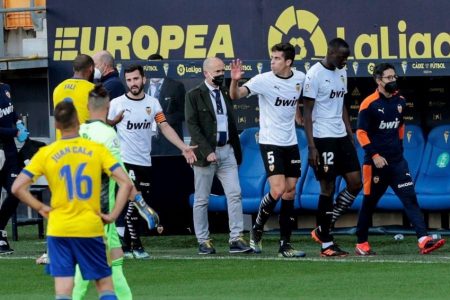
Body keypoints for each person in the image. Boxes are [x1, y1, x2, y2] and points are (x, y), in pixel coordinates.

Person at [11, 101, 133, 300]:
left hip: (59, 228)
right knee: (105, 287)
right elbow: (125, 183)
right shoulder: (96, 150)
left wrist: (41, 208)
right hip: (90, 226)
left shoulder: (46, 153)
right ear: (78, 121)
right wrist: (111, 216)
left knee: (64, 290)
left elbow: (17, 187)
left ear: (57, 126)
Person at [355, 63, 445, 255]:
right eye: (388, 78)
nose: (393, 80)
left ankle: (423, 239)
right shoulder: (368, 104)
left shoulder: (400, 101)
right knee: (369, 202)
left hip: (397, 162)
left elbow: (400, 126)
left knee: (410, 198)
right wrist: (375, 155)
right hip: (375, 164)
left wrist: (399, 147)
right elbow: (361, 133)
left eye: (394, 77)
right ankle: (361, 242)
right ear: (379, 81)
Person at [107, 64, 196, 259]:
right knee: (134, 203)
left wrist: (183, 147)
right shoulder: (117, 104)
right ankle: (137, 246)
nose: (133, 84)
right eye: (129, 80)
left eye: (136, 79)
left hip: (145, 161)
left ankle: (128, 248)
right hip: (125, 161)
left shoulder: (153, 103)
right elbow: (103, 126)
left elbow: (164, 127)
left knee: (139, 203)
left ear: (144, 79)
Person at [230, 42, 306, 258]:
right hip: (270, 141)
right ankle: (257, 230)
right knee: (278, 189)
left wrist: (297, 114)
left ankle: (285, 245)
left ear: (288, 62)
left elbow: (297, 97)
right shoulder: (263, 80)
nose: (272, 61)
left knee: (291, 190)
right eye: (271, 58)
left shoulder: (300, 78)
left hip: (290, 142)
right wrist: (235, 81)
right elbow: (236, 96)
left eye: (277, 58)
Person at [185, 57, 252, 255]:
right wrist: (208, 151)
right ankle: (203, 240)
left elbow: (235, 95)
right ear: (206, 73)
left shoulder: (224, 91)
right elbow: (193, 126)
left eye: (223, 71)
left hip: (227, 150)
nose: (221, 75)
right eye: (217, 72)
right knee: (202, 199)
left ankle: (236, 238)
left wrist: (234, 80)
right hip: (206, 154)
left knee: (234, 194)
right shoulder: (194, 95)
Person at [302, 38, 362, 257]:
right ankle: (326, 243)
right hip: (322, 137)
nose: (345, 61)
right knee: (327, 188)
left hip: (340, 136)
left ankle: (323, 226)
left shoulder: (341, 72)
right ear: (330, 52)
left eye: (346, 58)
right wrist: (311, 147)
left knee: (356, 183)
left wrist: (349, 131)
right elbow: (307, 114)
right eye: (342, 57)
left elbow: (342, 102)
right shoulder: (314, 75)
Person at [73, 84, 132, 299]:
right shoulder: (108, 135)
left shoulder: (78, 131)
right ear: (108, 106)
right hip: (100, 211)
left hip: (77, 206)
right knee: (89, 264)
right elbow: (121, 176)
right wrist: (139, 200)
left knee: (115, 260)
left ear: (87, 106)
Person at [0, 82, 29, 254]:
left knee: (17, 190)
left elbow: (11, 110)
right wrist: (15, 133)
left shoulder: (5, 87)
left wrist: (18, 122)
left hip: (9, 151)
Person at [147, 53, 186, 156]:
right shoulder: (141, 86)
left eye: (158, 66)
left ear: (163, 67)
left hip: (170, 144)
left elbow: (184, 113)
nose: (155, 70)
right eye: (152, 67)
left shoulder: (176, 86)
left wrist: (162, 120)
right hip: (146, 143)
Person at [53, 54, 95, 139]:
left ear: (73, 69)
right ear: (91, 68)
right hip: (85, 145)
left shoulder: (58, 88)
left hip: (62, 145)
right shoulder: (93, 89)